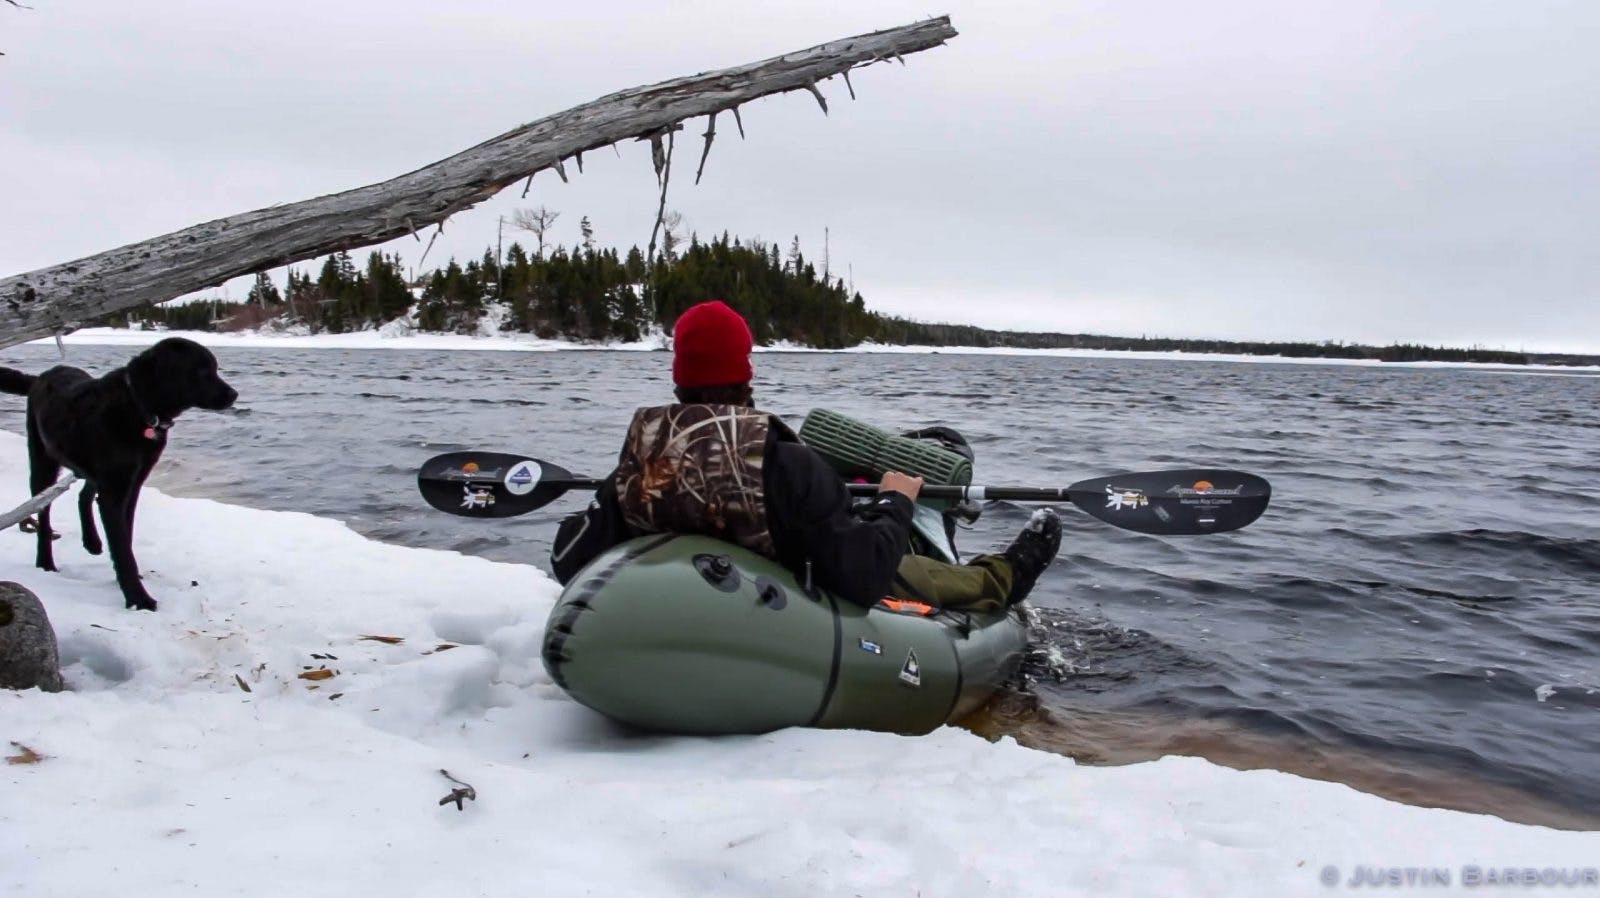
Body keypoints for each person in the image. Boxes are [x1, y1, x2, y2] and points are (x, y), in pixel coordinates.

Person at [550, 300, 1062, 610]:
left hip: (693, 597)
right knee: (907, 569)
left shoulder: (641, 459)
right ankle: (1006, 576)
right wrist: (894, 503)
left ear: (678, 377)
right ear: (747, 374)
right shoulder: (786, 463)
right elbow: (863, 576)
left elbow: (567, 558)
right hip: (782, 605)